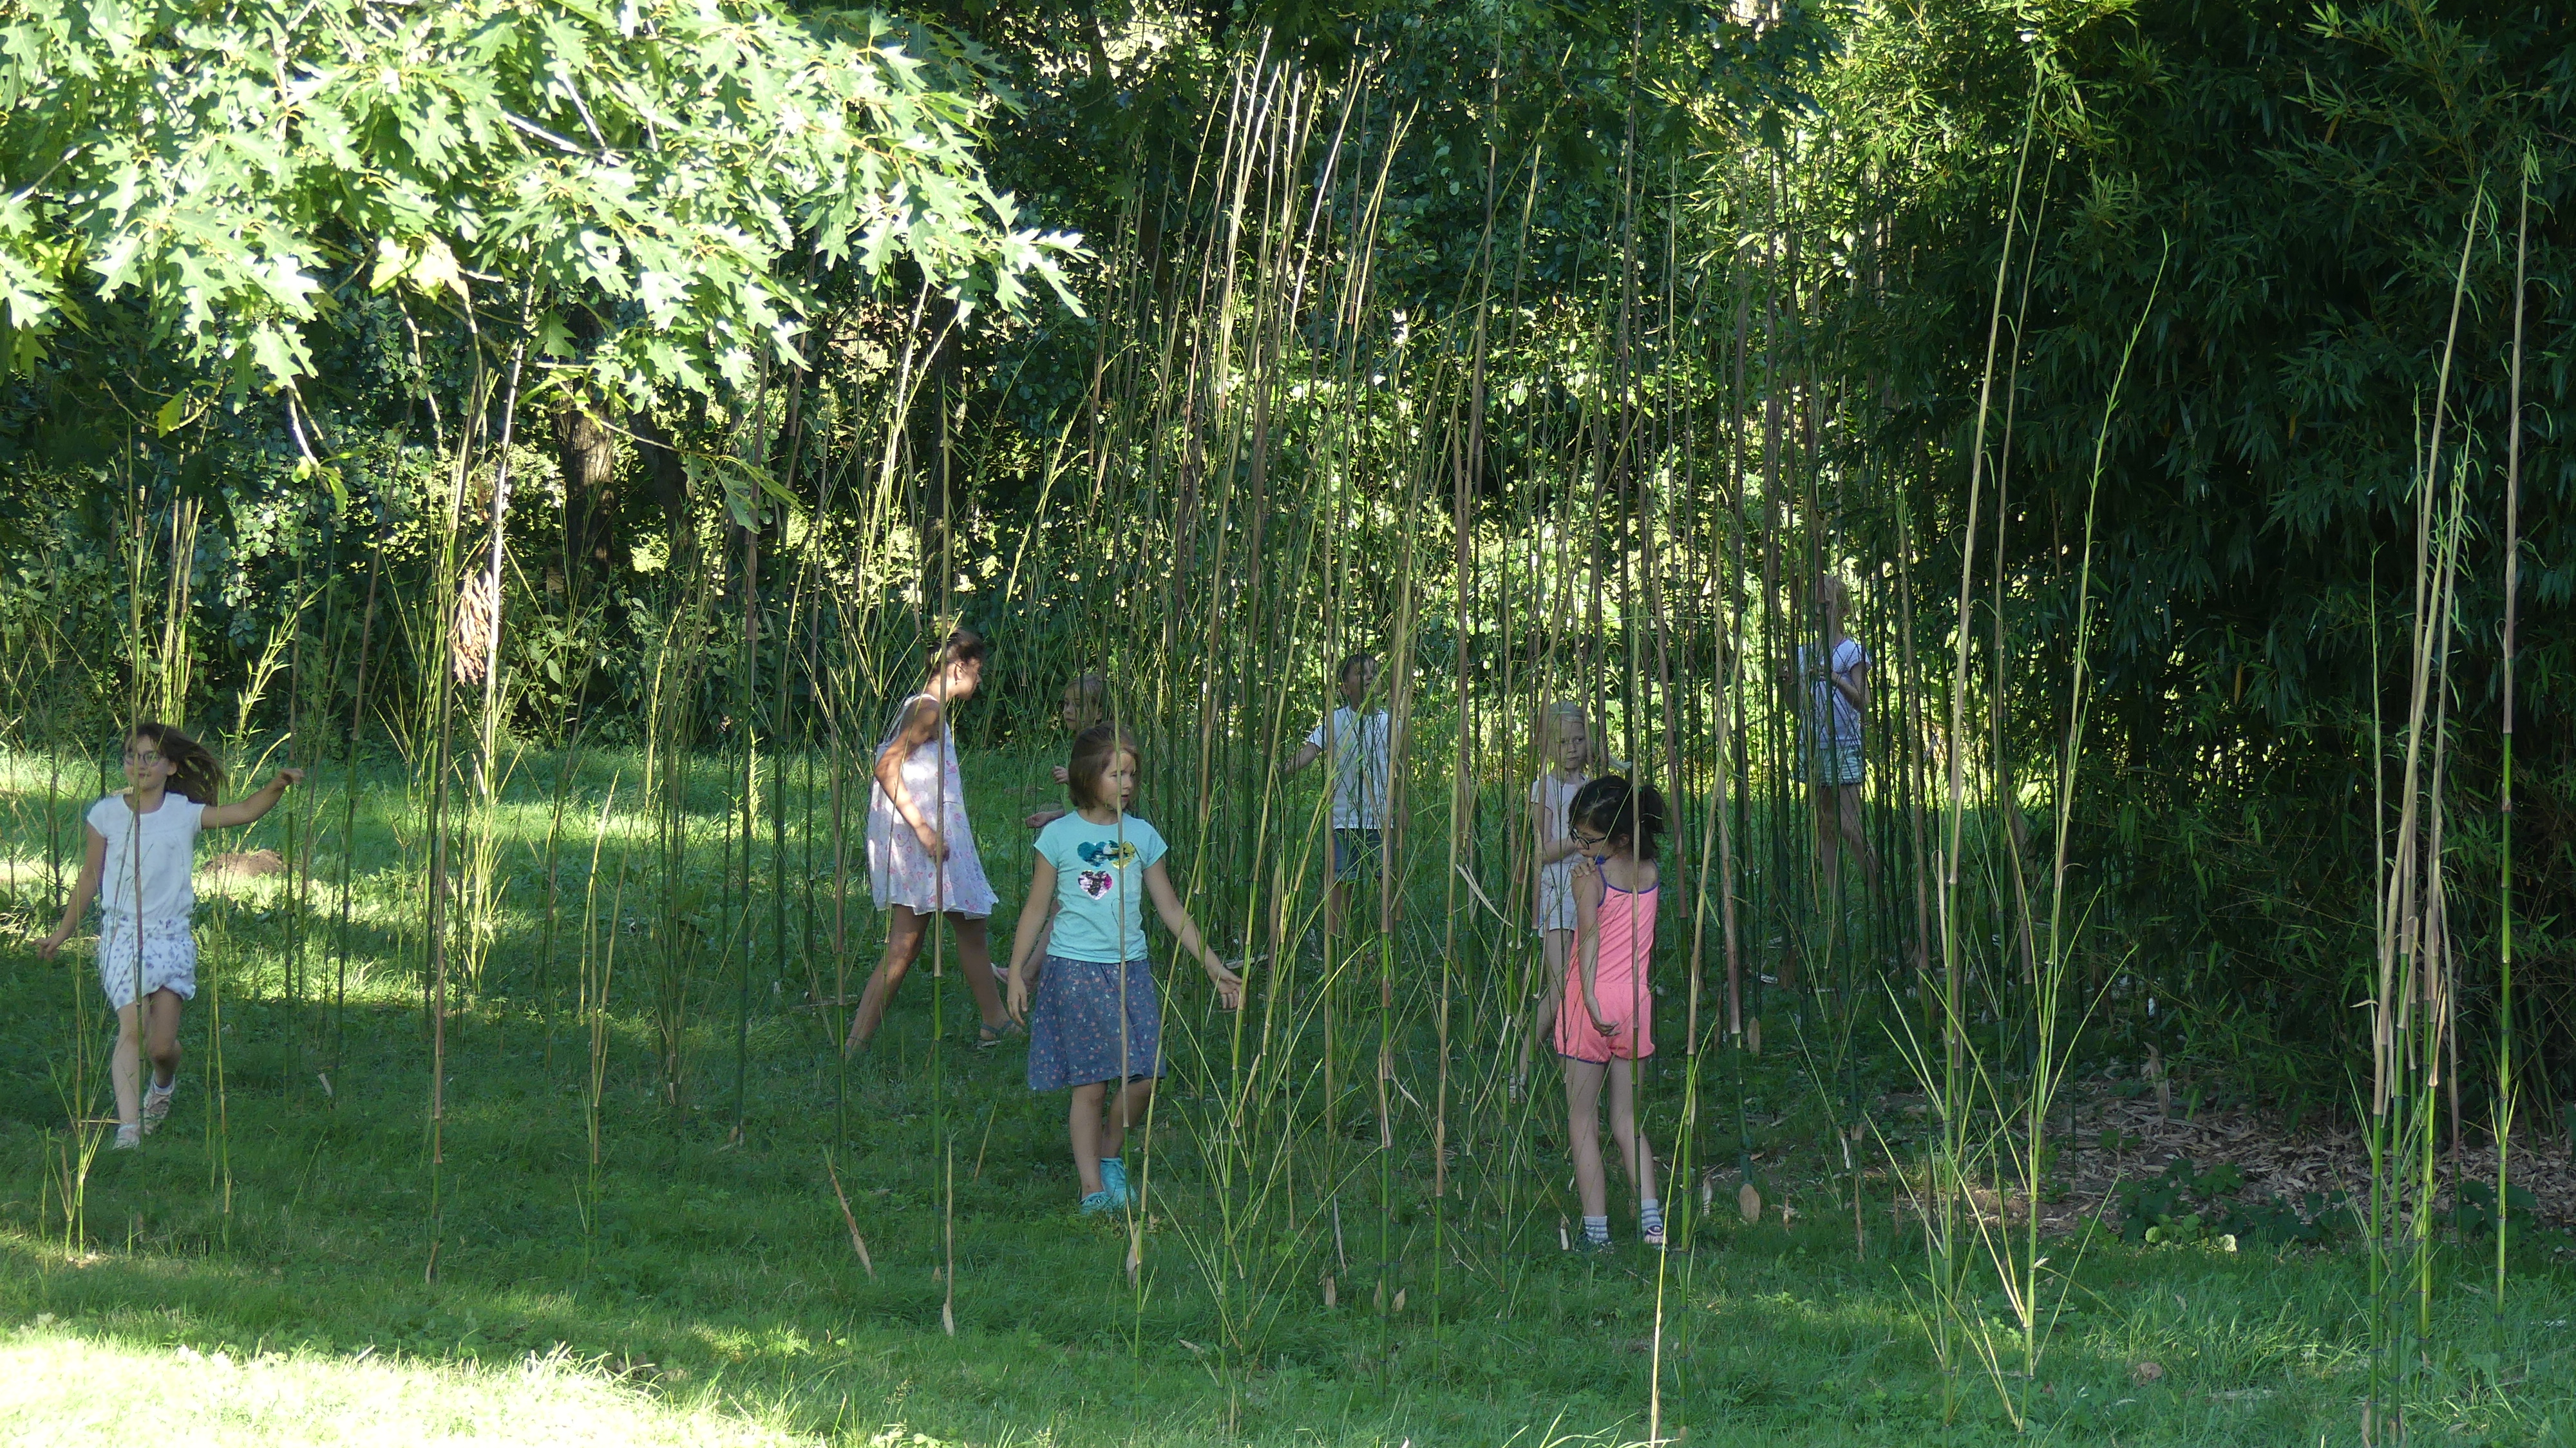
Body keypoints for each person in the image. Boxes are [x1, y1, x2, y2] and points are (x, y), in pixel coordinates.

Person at [1005, 725, 1243, 1213]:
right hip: (1075, 971)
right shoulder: (1058, 836)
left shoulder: (1142, 835)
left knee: (1145, 1077)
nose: (1129, 783)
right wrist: (1016, 972)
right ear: (1086, 776)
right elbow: (1036, 908)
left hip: (1130, 970)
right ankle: (1092, 1188)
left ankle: (1110, 1156)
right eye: (1117, 774)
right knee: (1091, 1085)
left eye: (1133, 774)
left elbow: (1171, 908)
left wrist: (1214, 966)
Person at [36, 723, 303, 1149]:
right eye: (131, 755)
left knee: (161, 1047)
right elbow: (89, 878)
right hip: (122, 938)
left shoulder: (183, 813)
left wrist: (277, 786)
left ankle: (163, 1085)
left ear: (171, 766)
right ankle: (129, 1128)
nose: (139, 764)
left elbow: (243, 812)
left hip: (171, 939)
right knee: (131, 1031)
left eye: (150, 757)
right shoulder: (105, 815)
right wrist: (62, 933)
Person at [849, 626, 1014, 1054]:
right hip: (924, 842)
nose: (980, 679)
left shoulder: (923, 707)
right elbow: (886, 767)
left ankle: (996, 1022)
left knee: (966, 925)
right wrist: (924, 830)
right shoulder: (928, 709)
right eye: (978, 670)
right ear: (960, 667)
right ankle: (856, 1043)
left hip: (932, 839)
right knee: (906, 944)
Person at [1557, 774, 1667, 1251]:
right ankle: (1652, 1226)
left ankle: (1597, 1234)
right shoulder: (1651, 873)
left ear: (1619, 838)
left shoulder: (1591, 881)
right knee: (1628, 1122)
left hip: (1591, 1002)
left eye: (1588, 839)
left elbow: (1588, 938)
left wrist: (1588, 998)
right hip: (1635, 1003)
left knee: (1583, 1121)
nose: (1579, 847)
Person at [1517, 700, 1602, 1099]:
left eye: (1579, 740)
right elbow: (1541, 851)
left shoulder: (1592, 788)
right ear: (1549, 745)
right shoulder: (1544, 788)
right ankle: (1520, 1067)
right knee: (1559, 988)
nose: (1572, 748)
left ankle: (1572, 1068)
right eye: (1564, 741)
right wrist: (1581, 840)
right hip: (1558, 894)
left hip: (1590, 892)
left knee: (1584, 985)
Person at [1282, 651, 1394, 947]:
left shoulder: (1390, 723)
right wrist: (1281, 770)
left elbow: (1399, 769)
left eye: (1373, 672)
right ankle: (1338, 940)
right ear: (1345, 687)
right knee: (1341, 881)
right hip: (1344, 817)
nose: (1369, 677)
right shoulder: (1336, 720)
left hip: (1381, 817)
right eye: (1361, 673)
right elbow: (1310, 752)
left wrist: (1401, 808)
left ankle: (1386, 942)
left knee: (1386, 881)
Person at [1799, 573, 1879, 902]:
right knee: (1825, 826)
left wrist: (1836, 679)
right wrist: (1787, 684)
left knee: (1849, 824)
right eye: (1814, 604)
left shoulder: (1851, 651)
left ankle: (1877, 889)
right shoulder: (1804, 651)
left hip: (1845, 746)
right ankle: (1832, 903)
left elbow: (1864, 702)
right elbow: (1797, 707)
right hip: (1813, 746)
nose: (1818, 611)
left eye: (1827, 604)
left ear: (1843, 610)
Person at [1021, 672, 1110, 832]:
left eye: (1078, 705)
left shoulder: (1101, 747)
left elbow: (1104, 797)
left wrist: (1073, 779)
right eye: (1066, 703)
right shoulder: (1079, 744)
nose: (1068, 710)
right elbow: (1083, 806)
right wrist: (1052, 815)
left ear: (1099, 712)